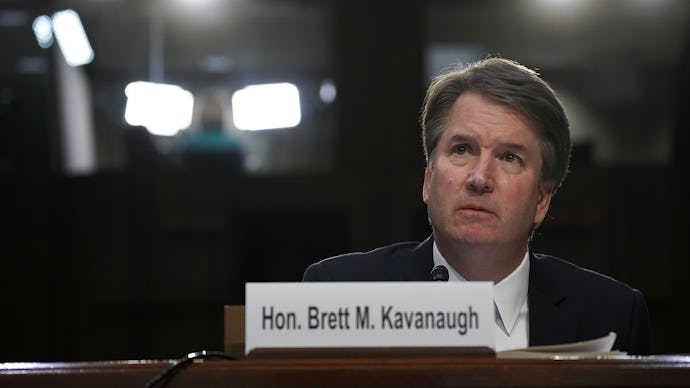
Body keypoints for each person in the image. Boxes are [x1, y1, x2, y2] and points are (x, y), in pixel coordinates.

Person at [302, 57, 653, 355]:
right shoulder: (339, 292)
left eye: (510, 157)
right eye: (462, 149)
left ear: (542, 200)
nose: (480, 177)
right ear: (428, 180)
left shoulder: (612, 313)